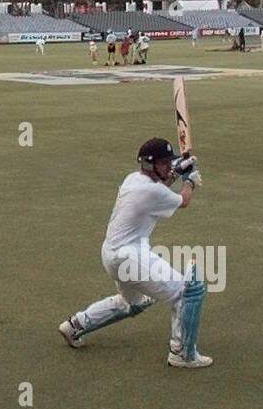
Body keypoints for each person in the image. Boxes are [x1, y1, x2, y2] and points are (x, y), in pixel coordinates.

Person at [58, 137, 210, 368]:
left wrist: (178, 170)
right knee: (187, 291)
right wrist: (189, 180)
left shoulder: (133, 179)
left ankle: (77, 325)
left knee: (134, 302)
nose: (168, 166)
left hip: (112, 254)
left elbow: (161, 186)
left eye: (169, 162)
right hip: (129, 257)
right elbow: (183, 200)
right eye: (164, 162)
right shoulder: (152, 192)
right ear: (150, 164)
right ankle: (182, 354)